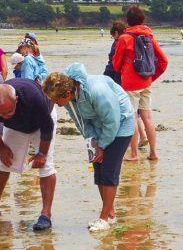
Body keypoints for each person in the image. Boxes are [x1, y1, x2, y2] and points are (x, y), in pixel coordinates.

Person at [43, 63, 134, 232]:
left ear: (68, 93)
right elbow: (82, 122)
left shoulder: (96, 91)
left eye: (56, 100)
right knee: (98, 167)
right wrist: (93, 145)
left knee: (109, 171)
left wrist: (103, 145)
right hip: (100, 126)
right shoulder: (70, 101)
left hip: (121, 123)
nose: (55, 104)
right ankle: (110, 215)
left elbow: (112, 120)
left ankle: (104, 218)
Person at [0, 80, 57, 231]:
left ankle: (46, 214)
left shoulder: (34, 97)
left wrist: (41, 153)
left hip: (41, 124)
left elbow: (47, 127)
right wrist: (1, 147)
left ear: (16, 99)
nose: (5, 116)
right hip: (16, 127)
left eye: (9, 111)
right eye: (1, 113)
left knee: (46, 165)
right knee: (4, 162)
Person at [112, 5, 168, 161]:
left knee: (131, 117)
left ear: (127, 21)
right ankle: (154, 153)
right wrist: (151, 78)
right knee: (148, 117)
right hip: (146, 82)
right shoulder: (149, 36)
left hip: (130, 84)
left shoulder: (124, 38)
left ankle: (134, 154)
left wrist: (125, 72)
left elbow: (116, 64)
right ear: (142, 19)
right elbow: (163, 60)